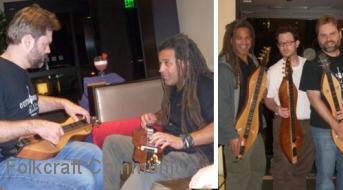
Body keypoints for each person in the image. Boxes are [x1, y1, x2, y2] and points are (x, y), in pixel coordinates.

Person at [0, 4, 103, 190]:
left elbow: (30, 102)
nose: (48, 50)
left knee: (95, 155)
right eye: (45, 44)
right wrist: (35, 124)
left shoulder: (20, 71)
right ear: (28, 41)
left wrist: (63, 103)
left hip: (36, 146)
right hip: (8, 163)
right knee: (82, 179)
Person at [102, 33, 214, 190]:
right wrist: (155, 116)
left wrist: (183, 140)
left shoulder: (206, 84)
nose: (161, 69)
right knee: (112, 142)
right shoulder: (175, 86)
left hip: (194, 156)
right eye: (161, 63)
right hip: (165, 150)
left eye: (167, 63)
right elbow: (170, 111)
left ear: (184, 63)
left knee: (146, 170)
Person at [299, 15, 343, 190]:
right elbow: (314, 98)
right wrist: (335, 124)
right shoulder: (312, 64)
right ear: (318, 38)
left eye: (332, 33)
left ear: (340, 34)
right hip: (324, 128)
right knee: (325, 177)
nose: (328, 39)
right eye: (323, 35)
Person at [218, 19, 266, 190]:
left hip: (255, 129)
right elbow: (221, 107)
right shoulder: (224, 67)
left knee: (257, 170)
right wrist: (231, 136)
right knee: (239, 177)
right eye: (239, 38)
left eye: (247, 38)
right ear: (230, 40)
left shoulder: (253, 61)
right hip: (236, 132)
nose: (244, 42)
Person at [264, 26, 314, 190]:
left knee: (302, 167)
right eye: (281, 43)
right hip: (283, 123)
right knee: (283, 167)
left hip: (307, 123)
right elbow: (268, 100)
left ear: (297, 43)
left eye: (289, 42)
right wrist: (277, 109)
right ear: (278, 46)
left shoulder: (309, 66)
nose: (285, 46)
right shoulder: (273, 70)